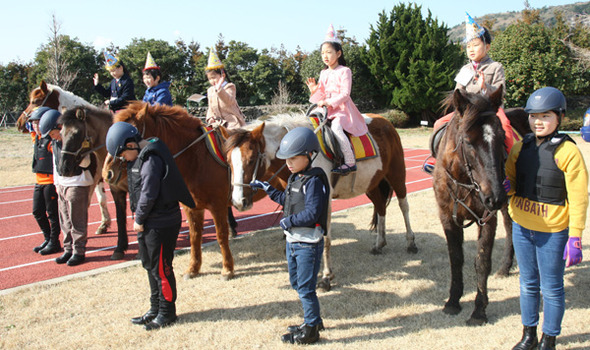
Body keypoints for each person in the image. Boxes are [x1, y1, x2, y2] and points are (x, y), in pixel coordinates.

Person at [506, 87, 588, 350]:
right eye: (533, 116)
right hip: (521, 227)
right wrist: (507, 185)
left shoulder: (568, 152)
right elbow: (510, 178)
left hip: (552, 232)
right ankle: (528, 335)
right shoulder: (520, 147)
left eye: (545, 116)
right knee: (528, 283)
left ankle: (548, 339)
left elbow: (579, 198)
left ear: (559, 117)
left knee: (552, 288)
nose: (538, 122)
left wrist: (575, 236)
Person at [105, 121, 195, 331]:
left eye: (122, 155)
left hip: (161, 223)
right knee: (150, 267)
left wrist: (138, 219)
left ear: (130, 145)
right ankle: (155, 308)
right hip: (149, 223)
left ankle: (167, 312)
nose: (123, 159)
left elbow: (149, 193)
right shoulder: (139, 156)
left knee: (162, 269)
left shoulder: (151, 159)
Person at [250, 127, 330, 345]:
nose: (288, 163)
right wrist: (267, 189)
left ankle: (311, 330)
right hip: (293, 242)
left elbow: (313, 212)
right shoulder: (296, 177)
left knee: (305, 288)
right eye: (286, 159)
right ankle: (313, 320)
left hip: (307, 244)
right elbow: (289, 201)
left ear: (309, 155)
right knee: (296, 283)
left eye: (294, 158)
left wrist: (289, 221)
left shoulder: (313, 181)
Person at [424, 12, 513, 174]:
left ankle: (510, 163)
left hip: (490, 110)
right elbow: (458, 92)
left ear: (487, 46)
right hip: (468, 112)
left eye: (476, 45)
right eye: (468, 46)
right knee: (438, 124)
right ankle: (436, 158)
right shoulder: (465, 70)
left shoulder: (495, 67)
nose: (471, 49)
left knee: (506, 126)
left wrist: (484, 85)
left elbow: (501, 92)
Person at [306, 24, 368, 175]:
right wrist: (315, 91)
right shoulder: (323, 73)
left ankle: (350, 161)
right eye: (322, 53)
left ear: (338, 53)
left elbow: (345, 94)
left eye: (329, 52)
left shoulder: (345, 71)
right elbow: (321, 96)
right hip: (325, 109)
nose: (325, 56)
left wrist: (329, 102)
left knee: (336, 128)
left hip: (341, 110)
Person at [38, 108, 94, 266]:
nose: (52, 137)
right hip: (62, 184)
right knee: (65, 220)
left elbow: (87, 162)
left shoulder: (75, 139)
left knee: (77, 220)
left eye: (53, 133)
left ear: (60, 127)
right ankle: (68, 249)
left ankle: (79, 251)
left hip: (77, 182)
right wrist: (57, 183)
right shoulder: (55, 143)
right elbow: (56, 166)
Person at [28, 107, 61, 255]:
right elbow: (27, 126)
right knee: (37, 212)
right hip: (39, 181)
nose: (35, 126)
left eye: (38, 122)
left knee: (52, 213)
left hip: (50, 182)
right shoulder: (37, 137)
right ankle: (47, 238)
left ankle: (55, 242)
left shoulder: (51, 140)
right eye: (33, 123)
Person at [205, 48, 246, 129]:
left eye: (214, 77)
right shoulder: (210, 90)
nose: (212, 81)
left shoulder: (230, 87)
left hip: (232, 123)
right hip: (217, 123)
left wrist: (219, 88)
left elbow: (228, 101)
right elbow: (210, 107)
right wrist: (210, 118)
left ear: (222, 75)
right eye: (209, 79)